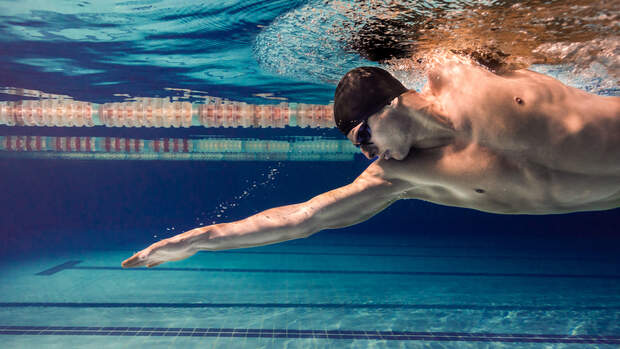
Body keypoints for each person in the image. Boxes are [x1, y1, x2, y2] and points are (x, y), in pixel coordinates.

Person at [122, 63, 619, 268]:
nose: (365, 154)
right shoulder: (399, 174)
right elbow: (303, 218)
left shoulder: (474, 87)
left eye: (363, 137)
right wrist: (201, 239)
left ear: (392, 108)